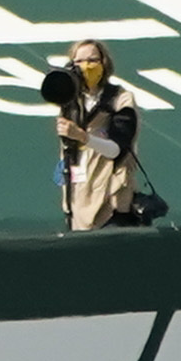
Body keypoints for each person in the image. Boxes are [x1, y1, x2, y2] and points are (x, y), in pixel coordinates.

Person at [47, 35, 154, 233]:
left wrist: (83, 136)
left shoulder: (119, 99)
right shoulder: (71, 102)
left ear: (104, 63)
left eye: (92, 60)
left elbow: (116, 149)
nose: (85, 66)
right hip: (78, 198)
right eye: (78, 61)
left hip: (112, 200)